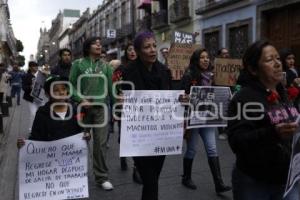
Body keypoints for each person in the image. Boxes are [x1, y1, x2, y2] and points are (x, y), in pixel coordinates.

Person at [227, 40, 300, 200]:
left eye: (278, 59)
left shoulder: (284, 93)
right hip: (255, 183)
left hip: (288, 179)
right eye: (269, 60)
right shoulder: (243, 98)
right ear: (253, 69)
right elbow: (236, 141)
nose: (277, 64)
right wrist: (273, 132)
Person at [121, 32, 172, 200]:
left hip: (160, 133)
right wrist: (120, 100)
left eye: (154, 46)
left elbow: (170, 97)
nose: (152, 50)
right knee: (150, 181)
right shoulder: (128, 72)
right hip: (139, 134)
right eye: (147, 47)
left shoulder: (164, 71)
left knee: (153, 179)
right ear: (137, 51)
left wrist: (180, 99)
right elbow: (122, 98)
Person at [180, 48, 231, 194]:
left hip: (209, 118)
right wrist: (187, 98)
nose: (205, 60)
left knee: (212, 148)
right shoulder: (189, 75)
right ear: (196, 60)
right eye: (202, 57)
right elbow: (181, 96)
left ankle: (219, 183)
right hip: (194, 118)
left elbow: (221, 93)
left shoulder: (214, 75)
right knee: (192, 149)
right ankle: (186, 177)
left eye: (207, 57)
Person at [69, 36, 114, 191]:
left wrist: (117, 108)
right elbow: (71, 86)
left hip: (101, 109)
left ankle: (102, 177)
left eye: (100, 44)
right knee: (80, 141)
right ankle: (74, 174)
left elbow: (112, 88)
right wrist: (80, 99)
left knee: (100, 144)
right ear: (87, 47)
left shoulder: (106, 66)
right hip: (83, 110)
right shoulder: (78, 64)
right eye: (95, 43)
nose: (98, 45)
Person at [17, 75, 90, 145]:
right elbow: (36, 138)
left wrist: (86, 135)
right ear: (47, 94)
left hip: (73, 155)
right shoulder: (42, 113)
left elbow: (81, 130)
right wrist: (24, 145)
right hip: (51, 156)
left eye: (64, 89)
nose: (61, 93)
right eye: (56, 90)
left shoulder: (75, 110)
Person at [112, 42, 142, 184]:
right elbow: (115, 85)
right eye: (129, 49)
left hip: (141, 107)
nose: (132, 52)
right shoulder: (121, 69)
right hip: (124, 106)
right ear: (126, 52)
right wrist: (118, 96)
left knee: (137, 136)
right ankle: (123, 156)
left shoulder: (144, 66)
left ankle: (136, 168)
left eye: (134, 49)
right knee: (125, 134)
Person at [22, 61, 43, 132]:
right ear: (30, 67)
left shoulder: (40, 75)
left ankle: (40, 128)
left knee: (41, 114)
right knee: (33, 114)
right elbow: (24, 88)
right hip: (30, 98)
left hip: (40, 98)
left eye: (36, 66)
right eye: (34, 66)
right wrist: (30, 86)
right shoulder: (26, 76)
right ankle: (31, 130)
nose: (36, 67)